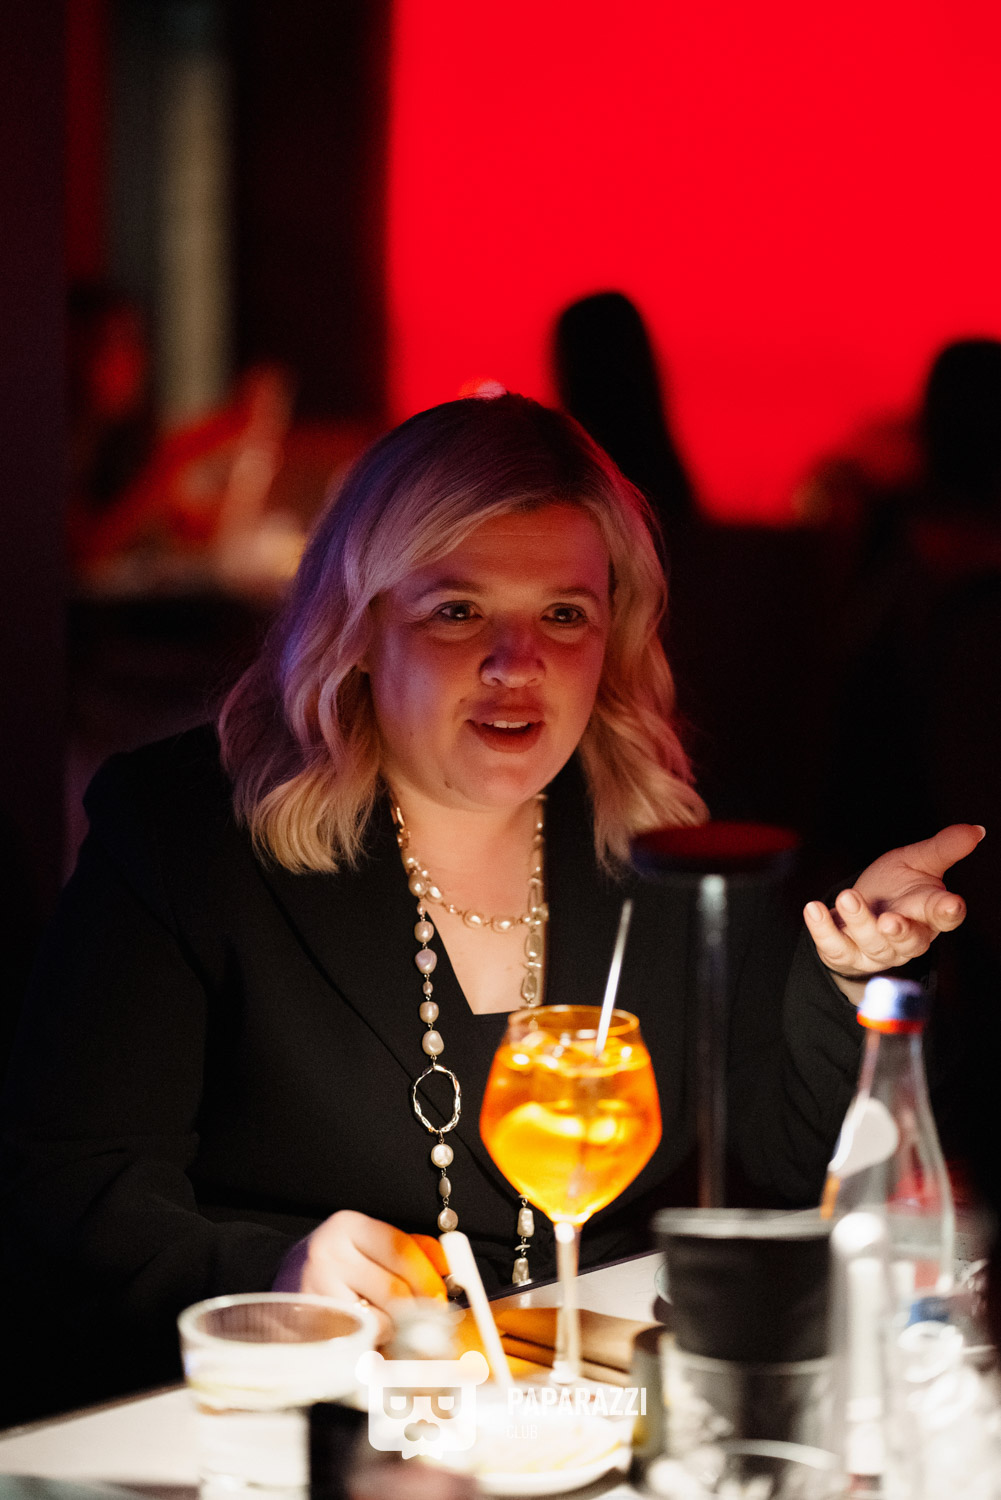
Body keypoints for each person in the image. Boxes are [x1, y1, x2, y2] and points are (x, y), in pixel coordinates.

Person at [0, 394, 980, 1420]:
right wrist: (274, 1277)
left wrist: (856, 980)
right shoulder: (186, 832)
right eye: (458, 610)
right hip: (299, 1417)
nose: (518, 663)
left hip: (592, 1409)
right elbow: (64, 1192)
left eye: (563, 614)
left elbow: (805, 1166)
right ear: (358, 629)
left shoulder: (668, 847)